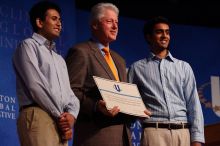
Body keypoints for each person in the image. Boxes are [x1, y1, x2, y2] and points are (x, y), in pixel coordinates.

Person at [65, 2, 136, 146]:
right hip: (96, 136)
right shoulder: (81, 52)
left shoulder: (119, 60)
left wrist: (135, 109)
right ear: (94, 25)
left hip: (123, 137)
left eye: (116, 22)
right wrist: (96, 106)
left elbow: (121, 96)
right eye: (109, 21)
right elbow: (70, 92)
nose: (115, 26)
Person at [128, 16, 205, 146]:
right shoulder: (136, 68)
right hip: (153, 132)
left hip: (183, 132)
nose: (165, 36)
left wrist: (196, 139)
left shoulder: (184, 67)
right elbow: (129, 104)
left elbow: (194, 105)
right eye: (159, 32)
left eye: (167, 32)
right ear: (148, 37)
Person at [12, 1, 80, 146]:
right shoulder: (28, 45)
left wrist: (72, 116)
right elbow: (35, 85)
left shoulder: (59, 59)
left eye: (60, 20)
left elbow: (70, 95)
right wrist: (61, 117)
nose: (59, 24)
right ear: (39, 22)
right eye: (54, 19)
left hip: (60, 121)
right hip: (39, 114)